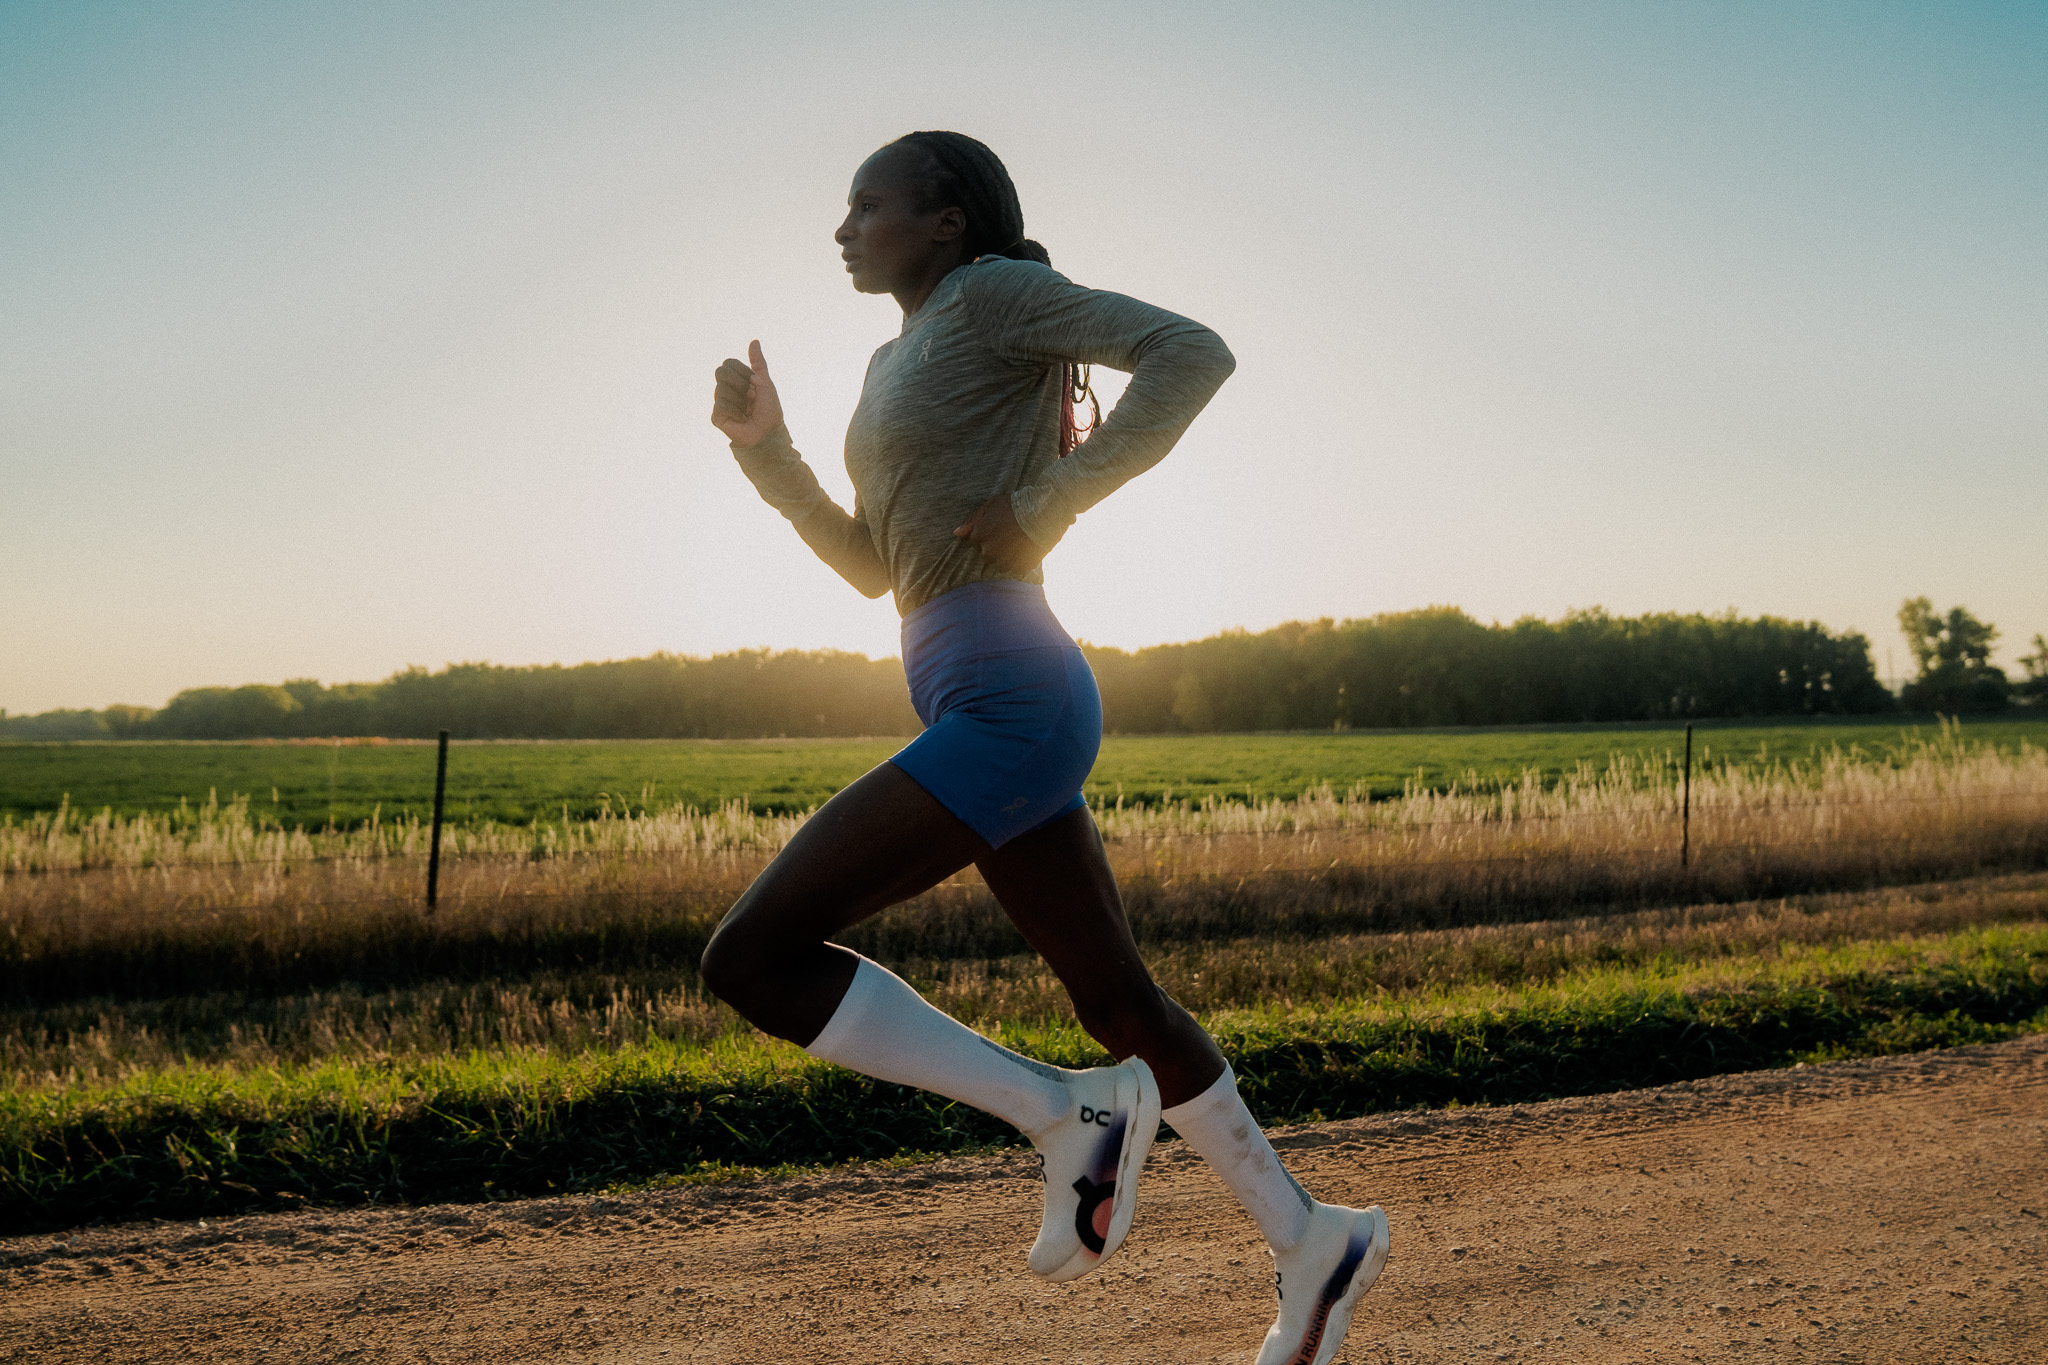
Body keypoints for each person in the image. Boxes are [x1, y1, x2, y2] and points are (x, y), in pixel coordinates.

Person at [703, 129, 1389, 1364]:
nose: (844, 228)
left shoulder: (993, 296)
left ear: (947, 219)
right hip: (969, 684)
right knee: (1117, 1000)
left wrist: (1042, 503)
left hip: (1009, 694)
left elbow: (1191, 352)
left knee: (751, 957)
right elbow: (873, 568)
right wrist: (769, 454)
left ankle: (1061, 1112)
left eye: (868, 204)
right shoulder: (895, 355)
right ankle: (1312, 1241)